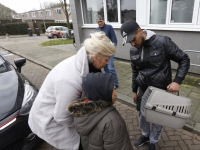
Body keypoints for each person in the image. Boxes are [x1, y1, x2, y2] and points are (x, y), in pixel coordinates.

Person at [28, 31, 116, 150]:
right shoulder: (69, 80)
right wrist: (87, 125)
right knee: (80, 145)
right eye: (106, 60)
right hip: (49, 119)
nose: (108, 63)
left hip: (59, 113)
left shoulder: (87, 61)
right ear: (95, 57)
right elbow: (62, 117)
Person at [120, 20, 190, 150]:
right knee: (142, 115)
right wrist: (134, 90)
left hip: (161, 91)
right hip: (143, 89)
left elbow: (184, 59)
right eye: (129, 41)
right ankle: (145, 135)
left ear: (139, 31)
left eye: (133, 39)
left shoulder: (162, 42)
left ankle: (153, 141)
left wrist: (177, 81)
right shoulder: (133, 50)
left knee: (159, 119)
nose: (133, 43)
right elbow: (135, 70)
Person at [68, 73, 134, 150]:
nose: (116, 93)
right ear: (101, 93)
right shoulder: (112, 121)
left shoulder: (81, 111)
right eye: (112, 90)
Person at [96, 15, 119, 89]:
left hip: (109, 51)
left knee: (110, 68)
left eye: (101, 21)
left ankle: (115, 83)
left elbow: (114, 39)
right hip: (102, 52)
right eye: (98, 22)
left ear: (104, 20)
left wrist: (112, 49)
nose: (100, 23)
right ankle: (108, 81)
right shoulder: (97, 29)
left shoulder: (109, 27)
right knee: (105, 68)